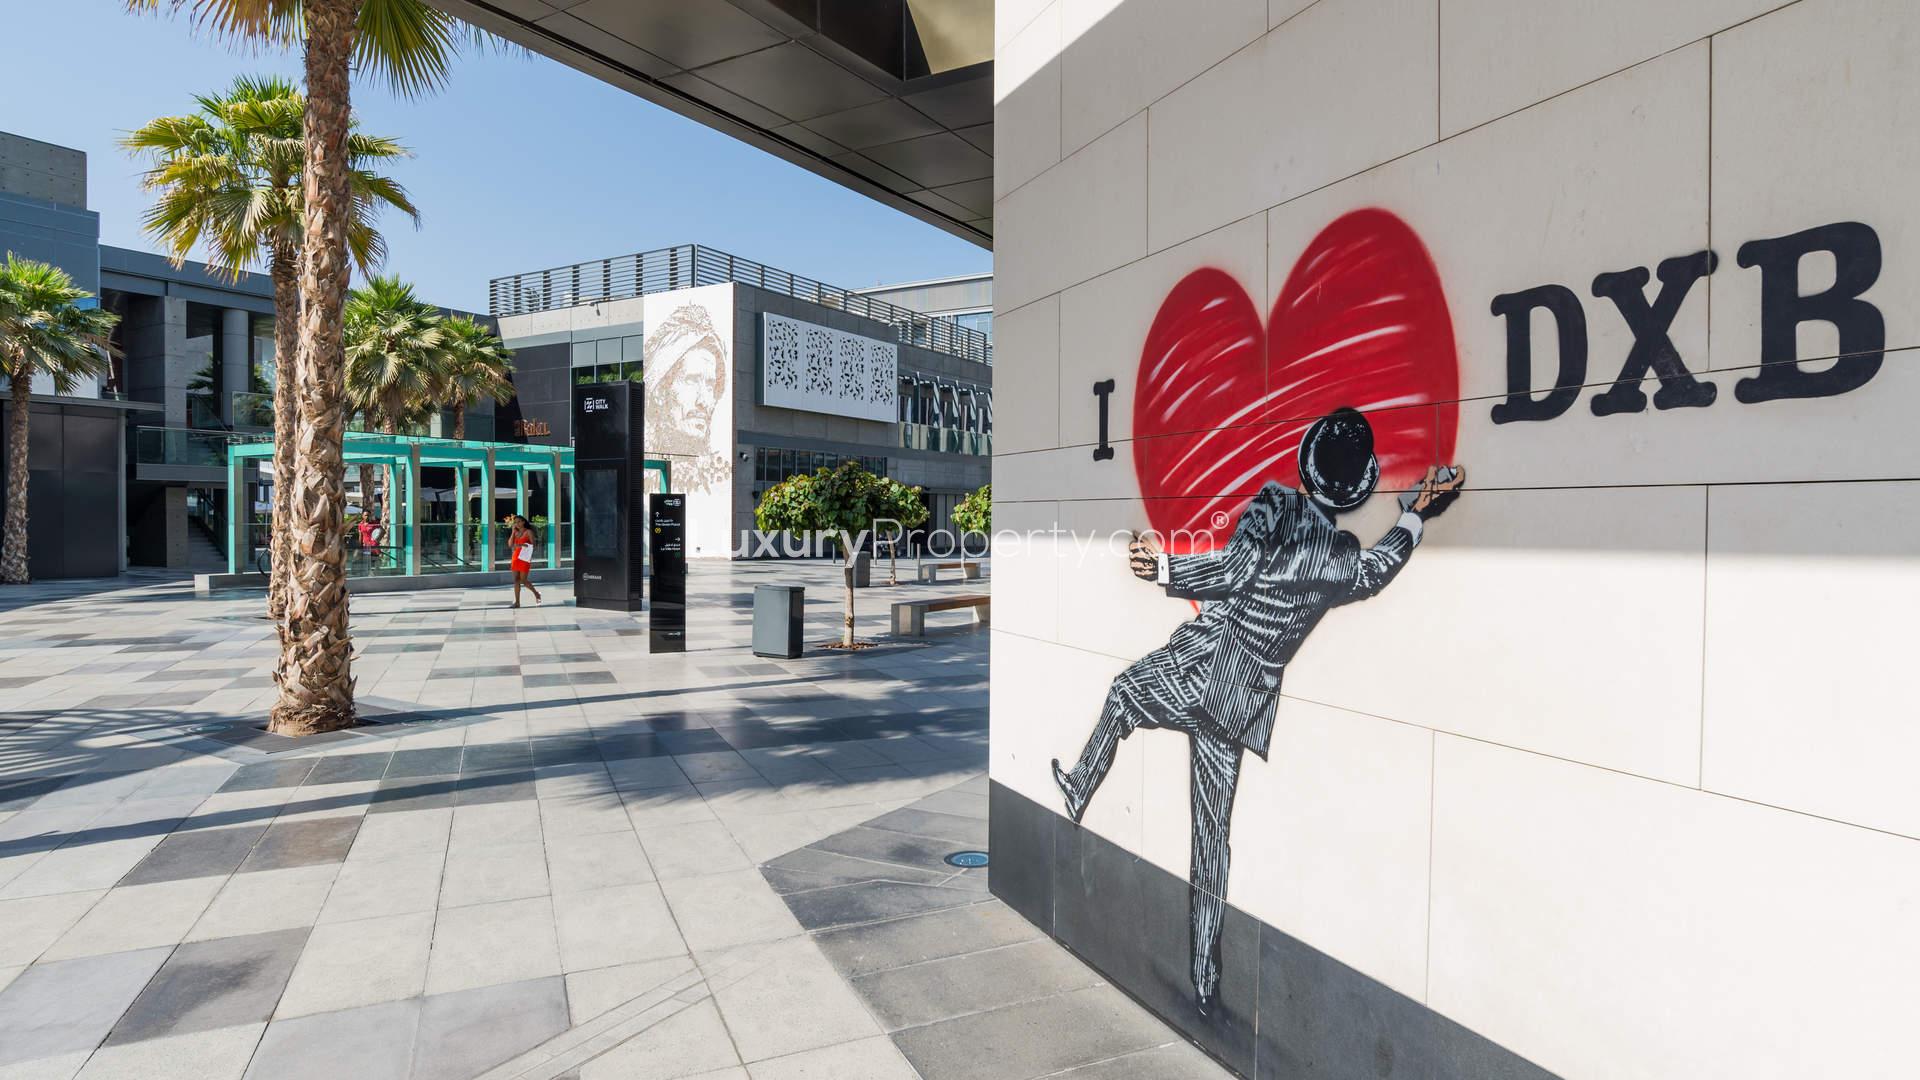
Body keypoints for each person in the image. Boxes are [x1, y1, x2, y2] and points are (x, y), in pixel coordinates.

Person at [1050, 407, 1464, 1010]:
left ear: (1307, 463)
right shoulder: (1340, 559)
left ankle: (1078, 788)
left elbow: (1232, 570)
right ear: (1355, 488)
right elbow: (1378, 569)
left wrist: (1162, 566)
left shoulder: (1273, 504)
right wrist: (1416, 514)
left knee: (1122, 694)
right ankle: (1205, 979)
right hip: (1241, 702)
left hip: (1200, 670)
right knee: (1211, 839)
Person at [508, 514, 542, 608]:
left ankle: (536, 594)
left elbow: (534, 545)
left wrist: (524, 545)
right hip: (516, 557)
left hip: (524, 558)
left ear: (523, 522)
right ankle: (517, 602)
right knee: (516, 580)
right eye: (515, 522)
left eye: (519, 521)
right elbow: (510, 545)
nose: (517, 524)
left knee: (523, 580)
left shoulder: (528, 532)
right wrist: (512, 532)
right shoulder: (515, 532)